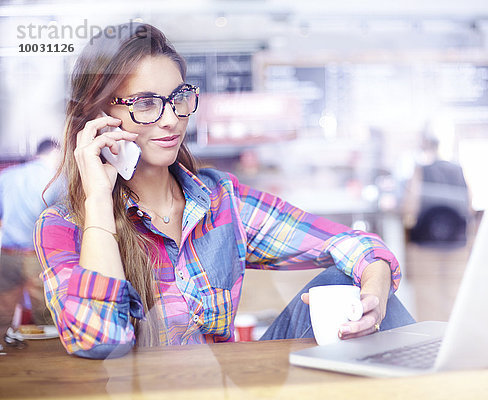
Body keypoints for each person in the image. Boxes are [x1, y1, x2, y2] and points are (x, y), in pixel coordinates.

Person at [34, 22, 414, 359]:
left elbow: (356, 246)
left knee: (347, 281)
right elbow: (101, 341)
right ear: (98, 117)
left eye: (177, 98)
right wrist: (98, 200)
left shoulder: (222, 200)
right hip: (143, 391)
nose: (171, 119)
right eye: (146, 103)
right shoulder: (64, 226)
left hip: (228, 386)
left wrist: (375, 299)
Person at [0, 139, 61, 325]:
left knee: (3, 316)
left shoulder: (7, 175)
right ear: (55, 153)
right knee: (45, 317)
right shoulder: (56, 179)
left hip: (6, 255)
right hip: (38, 258)